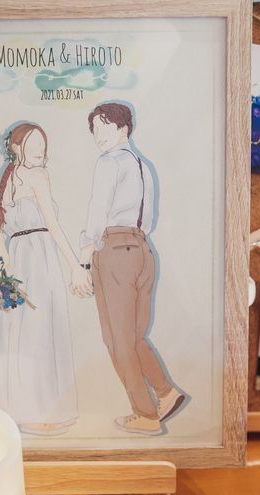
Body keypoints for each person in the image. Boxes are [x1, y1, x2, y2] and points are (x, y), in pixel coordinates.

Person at [79, 102, 186, 436]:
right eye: (94, 129)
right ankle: (165, 392)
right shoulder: (144, 166)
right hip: (143, 251)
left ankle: (145, 414)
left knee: (117, 340)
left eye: (104, 126)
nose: (98, 135)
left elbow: (97, 213)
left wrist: (84, 258)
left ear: (123, 128)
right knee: (135, 337)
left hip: (115, 250)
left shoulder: (108, 162)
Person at [0, 122, 92, 436]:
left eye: (42, 143)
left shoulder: (8, 179)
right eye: (33, 142)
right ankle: (44, 412)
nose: (40, 148)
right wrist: (75, 266)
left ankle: (26, 411)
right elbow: (52, 224)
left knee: (22, 334)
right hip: (39, 257)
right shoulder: (36, 176)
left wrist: (6, 258)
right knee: (42, 330)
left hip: (21, 256)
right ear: (16, 146)